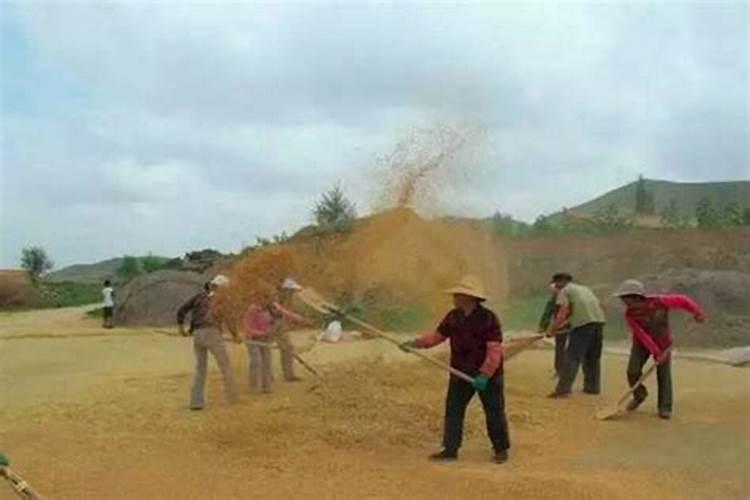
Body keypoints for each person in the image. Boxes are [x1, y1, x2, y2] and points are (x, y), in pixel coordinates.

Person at [401, 275, 510, 464]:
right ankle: (450, 449)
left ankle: (501, 449)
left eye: (458, 295)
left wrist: (484, 375)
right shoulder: (453, 316)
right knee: (454, 410)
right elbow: (437, 337)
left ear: (469, 297)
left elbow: (494, 350)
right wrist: (415, 344)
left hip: (488, 375)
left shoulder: (488, 319)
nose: (454, 298)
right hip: (461, 371)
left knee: (494, 411)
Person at [613, 279, 706, 419]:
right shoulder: (629, 314)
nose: (623, 302)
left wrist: (697, 312)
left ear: (635, 297)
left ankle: (665, 408)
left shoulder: (659, 302)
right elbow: (641, 335)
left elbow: (683, 300)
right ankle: (639, 396)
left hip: (663, 343)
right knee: (632, 371)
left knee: (663, 374)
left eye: (625, 299)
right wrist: (656, 352)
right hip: (641, 344)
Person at [176, 275, 238, 410]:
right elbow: (229, 320)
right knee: (225, 365)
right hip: (212, 333)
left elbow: (181, 310)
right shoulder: (222, 300)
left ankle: (196, 402)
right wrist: (236, 336)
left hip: (197, 334)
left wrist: (182, 329)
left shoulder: (200, 297)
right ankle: (233, 398)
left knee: (200, 369)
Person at [546, 273, 606, 398]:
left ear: (561, 282)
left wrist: (552, 329)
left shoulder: (565, 291)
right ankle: (592, 388)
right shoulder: (585, 289)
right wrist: (563, 326)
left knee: (572, 357)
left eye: (556, 283)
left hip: (583, 325)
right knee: (593, 357)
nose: (556, 287)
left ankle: (562, 390)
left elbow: (563, 312)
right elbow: (580, 312)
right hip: (598, 322)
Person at [273, 277, 311, 382]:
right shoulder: (274, 297)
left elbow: (285, 312)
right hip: (268, 324)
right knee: (264, 351)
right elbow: (280, 310)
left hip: (278, 324)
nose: (292, 293)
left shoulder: (285, 298)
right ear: (286, 290)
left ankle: (289, 375)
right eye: (291, 291)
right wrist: (299, 319)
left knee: (287, 348)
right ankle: (265, 377)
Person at [538, 283, 570, 378]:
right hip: (562, 326)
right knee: (560, 346)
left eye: (554, 289)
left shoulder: (566, 298)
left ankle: (566, 370)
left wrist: (551, 329)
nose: (552, 291)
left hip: (570, 324)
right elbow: (547, 313)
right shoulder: (552, 300)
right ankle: (560, 370)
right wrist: (542, 327)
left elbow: (562, 315)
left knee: (569, 348)